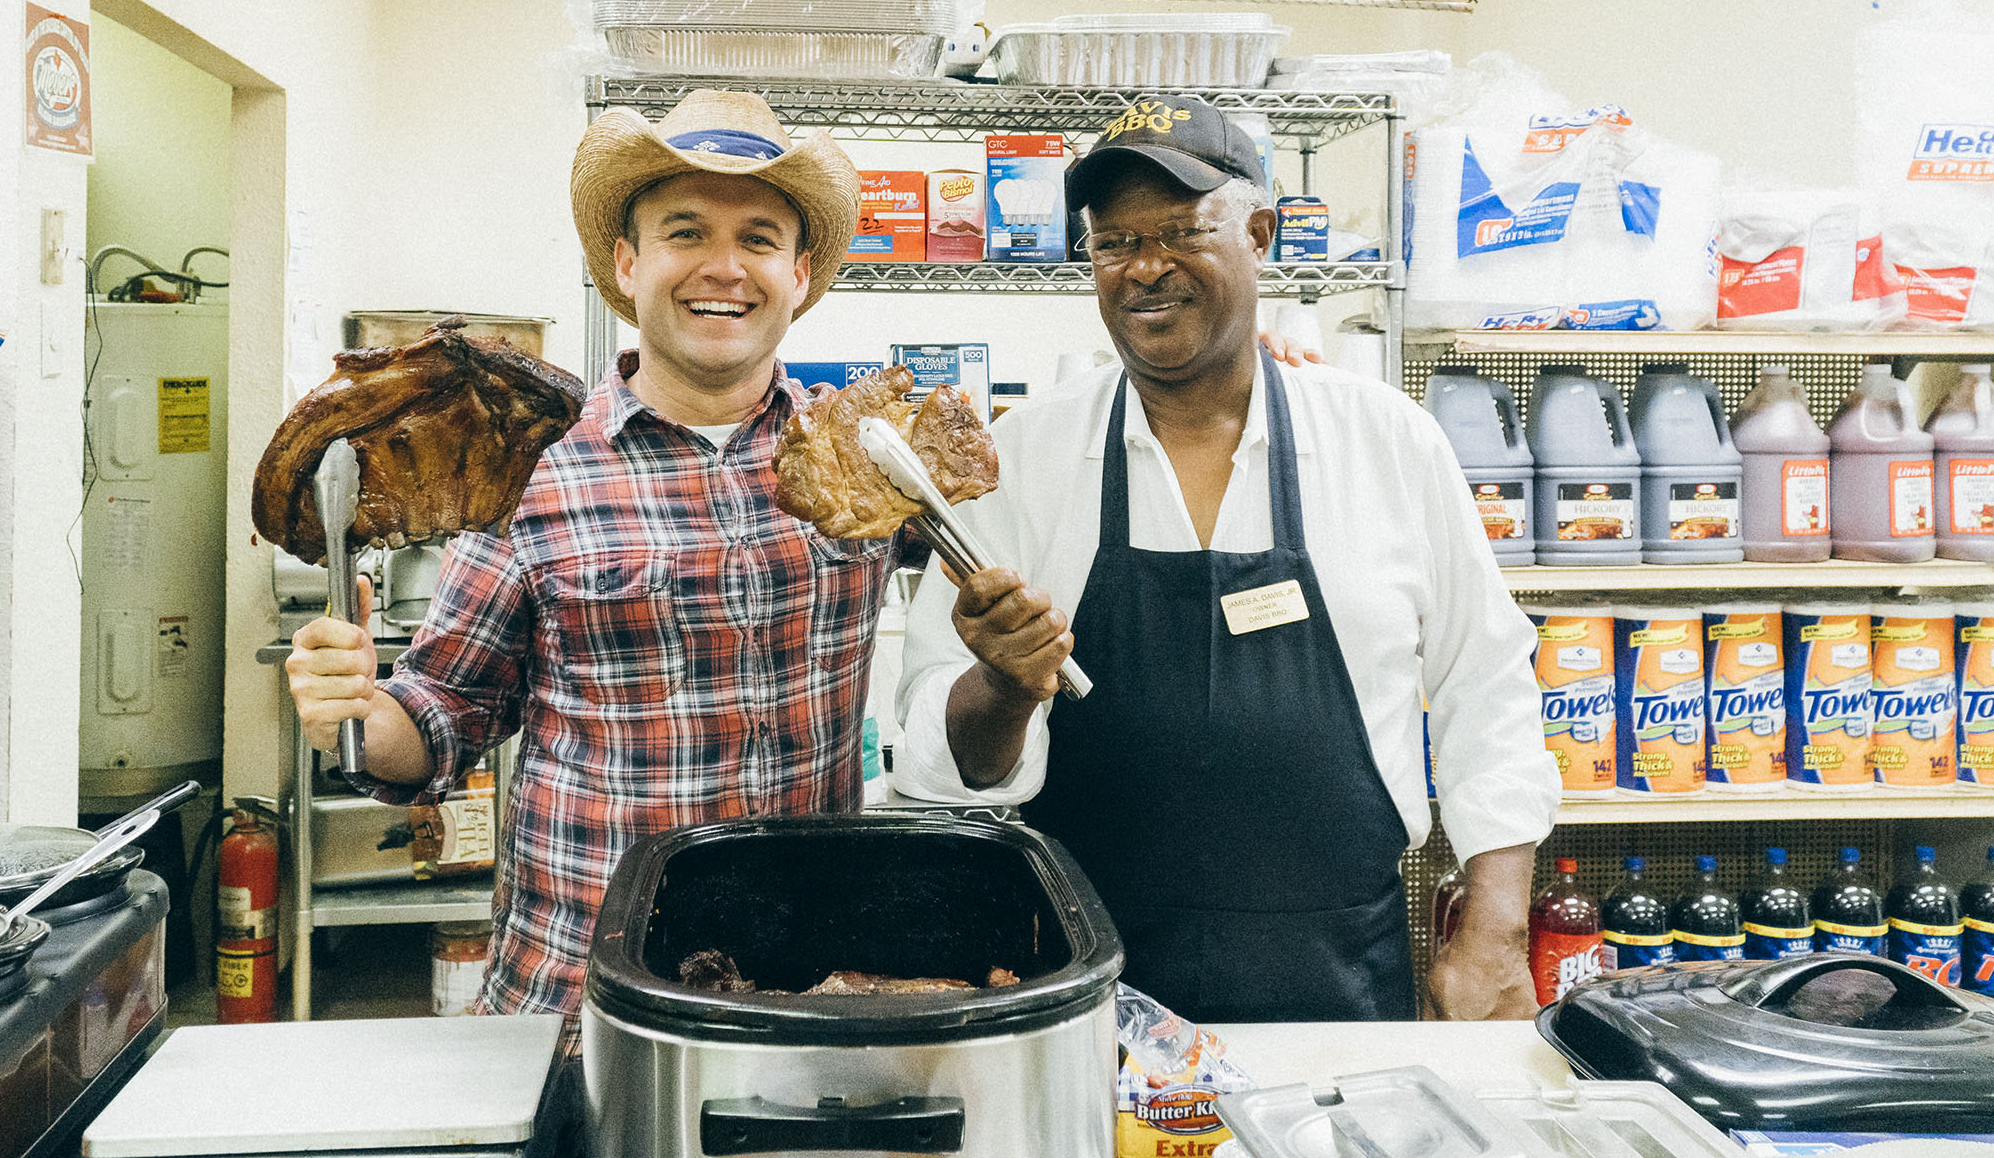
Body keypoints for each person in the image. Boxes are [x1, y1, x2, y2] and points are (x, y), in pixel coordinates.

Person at [896, 94, 1559, 1023]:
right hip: (1080, 985)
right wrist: (1003, 685)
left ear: (1260, 232)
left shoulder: (1388, 444)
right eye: (1114, 242)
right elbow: (940, 761)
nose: (1144, 268)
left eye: (1179, 230)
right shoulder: (1027, 458)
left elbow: (1486, 689)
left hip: (1335, 979)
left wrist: (1494, 929)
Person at [284, 89, 891, 1013]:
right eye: (685, 231)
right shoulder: (533, 466)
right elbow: (444, 713)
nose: (723, 267)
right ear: (627, 261)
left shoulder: (863, 464)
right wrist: (359, 709)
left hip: (802, 983)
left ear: (800, 274)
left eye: (760, 239)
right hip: (587, 991)